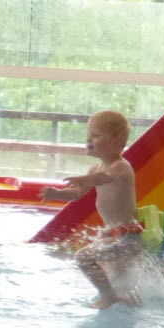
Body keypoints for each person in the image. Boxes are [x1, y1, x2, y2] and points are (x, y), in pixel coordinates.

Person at [41, 111, 143, 309]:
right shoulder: (94, 169)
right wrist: (57, 194)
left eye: (95, 135)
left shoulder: (121, 167)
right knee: (121, 279)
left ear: (117, 140)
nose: (89, 139)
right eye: (89, 135)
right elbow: (76, 194)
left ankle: (109, 297)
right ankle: (128, 301)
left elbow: (106, 177)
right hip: (112, 234)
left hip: (128, 236)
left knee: (83, 258)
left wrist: (87, 179)